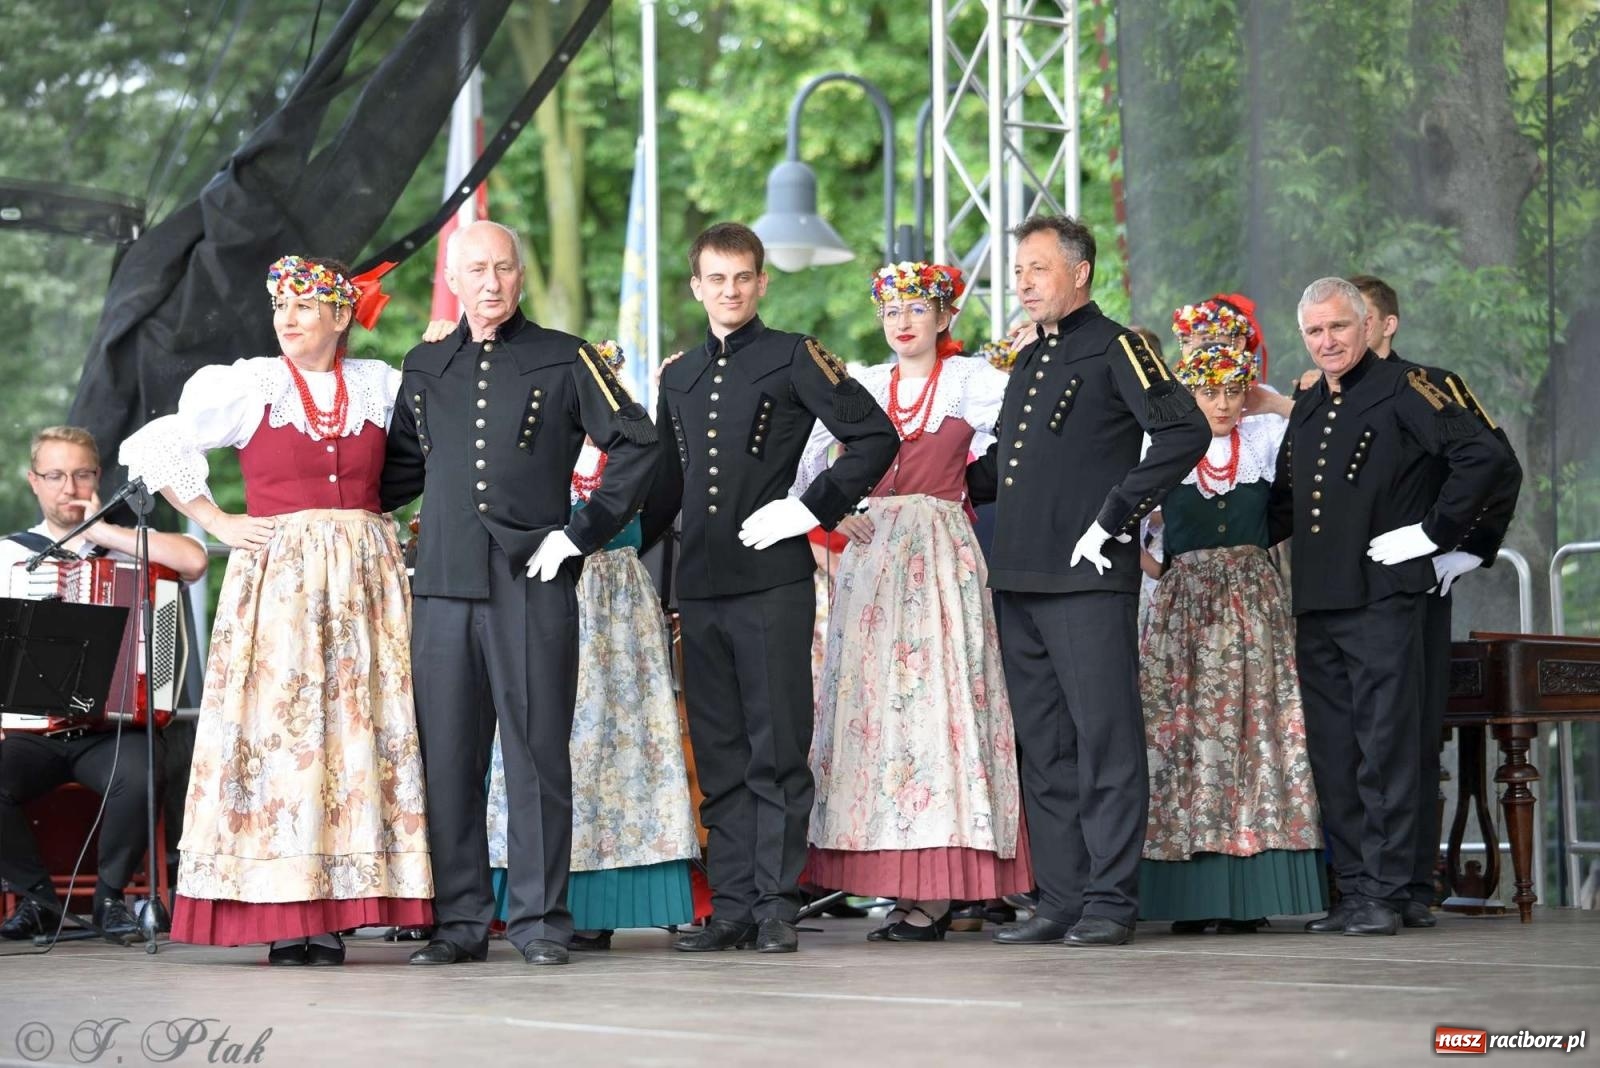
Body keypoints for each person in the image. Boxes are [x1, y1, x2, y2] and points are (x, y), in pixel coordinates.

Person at [118, 255, 432, 965]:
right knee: (284, 736)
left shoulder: (379, 385)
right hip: (282, 578)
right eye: (280, 306)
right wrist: (216, 520)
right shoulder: (252, 384)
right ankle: (289, 914)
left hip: (364, 577)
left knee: (357, 734)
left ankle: (344, 907)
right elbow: (155, 442)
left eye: (303, 306)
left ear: (341, 315)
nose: (287, 318)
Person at [382, 220, 659, 968]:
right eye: (476, 269)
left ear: (521, 276)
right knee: (449, 761)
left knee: (537, 757)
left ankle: (540, 923)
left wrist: (579, 533)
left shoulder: (566, 355)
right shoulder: (424, 363)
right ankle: (460, 924)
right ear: (453, 278)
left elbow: (639, 443)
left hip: (530, 584)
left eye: (503, 268)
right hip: (442, 588)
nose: (491, 282)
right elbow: (395, 472)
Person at [640, 222, 899, 954]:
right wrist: (608, 546)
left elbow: (876, 437)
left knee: (777, 747)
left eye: (742, 278)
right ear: (697, 287)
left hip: (771, 581)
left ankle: (778, 904)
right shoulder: (679, 376)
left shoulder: (793, 355)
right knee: (719, 752)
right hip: (701, 585)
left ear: (761, 283)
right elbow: (665, 487)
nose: (730, 291)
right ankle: (732, 908)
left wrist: (810, 507)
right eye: (716, 279)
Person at [967, 215, 1211, 947]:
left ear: (1080, 273)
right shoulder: (1029, 359)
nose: (1022, 282)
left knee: (1104, 742)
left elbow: (1186, 431)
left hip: (1086, 576)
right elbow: (1007, 467)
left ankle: (1109, 902)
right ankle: (1061, 900)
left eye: (1037, 268)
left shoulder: (1118, 346)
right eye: (1017, 270)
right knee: (1044, 751)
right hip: (1019, 573)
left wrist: (1114, 516)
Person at [794, 262, 1031, 942]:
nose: (903, 322)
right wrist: (831, 512)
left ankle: (939, 889)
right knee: (877, 716)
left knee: (938, 708)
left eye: (918, 309)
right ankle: (896, 884)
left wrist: (975, 490)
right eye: (892, 311)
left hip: (940, 550)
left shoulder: (970, 382)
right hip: (873, 558)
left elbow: (1027, 438)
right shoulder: (864, 385)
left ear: (945, 316)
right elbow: (805, 461)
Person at [1268, 276, 1508, 936]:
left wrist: (1437, 535)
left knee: (1387, 750)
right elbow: (1286, 503)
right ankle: (1361, 889)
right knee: (1335, 755)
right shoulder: (1310, 403)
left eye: (1338, 327)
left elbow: (1485, 456)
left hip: (1383, 599)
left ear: (1368, 325)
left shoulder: (1409, 387)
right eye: (1314, 331)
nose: (1327, 341)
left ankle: (1388, 888)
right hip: (1319, 600)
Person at [482, 341, 700, 949]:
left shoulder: (632, 442)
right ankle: (532, 897)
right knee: (548, 739)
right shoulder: (536, 441)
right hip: (546, 585)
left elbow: (662, 501)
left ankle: (609, 900)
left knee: (618, 744)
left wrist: (610, 546)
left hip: (615, 600)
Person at [1136, 308, 1327, 933]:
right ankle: (1188, 896)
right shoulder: (1164, 446)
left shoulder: (1266, 439)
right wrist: (1155, 567)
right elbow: (1122, 511)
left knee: (1254, 733)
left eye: (1231, 389)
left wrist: (1274, 402)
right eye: (1207, 390)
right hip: (1185, 605)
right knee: (1183, 734)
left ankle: (1249, 893)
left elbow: (1323, 442)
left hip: (1251, 601)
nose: (1221, 403)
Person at [1343, 274, 1522, 927]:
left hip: (1408, 584)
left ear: (1386, 324)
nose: (1346, 331)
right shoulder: (1330, 395)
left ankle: (1411, 885)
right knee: (1357, 741)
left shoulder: (1427, 384)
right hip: (1343, 593)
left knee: (1409, 735)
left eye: (1359, 317)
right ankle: (1365, 883)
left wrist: (1463, 546)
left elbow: (1497, 463)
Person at [0, 426, 208, 943]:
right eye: (55, 475)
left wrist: (106, 533)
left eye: (82, 474)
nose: (69, 487)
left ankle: (110, 900)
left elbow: (195, 560)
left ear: (98, 478)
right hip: (30, 735)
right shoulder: (9, 557)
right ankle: (38, 901)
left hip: (111, 732)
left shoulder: (130, 547)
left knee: (143, 770)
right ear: (33, 481)